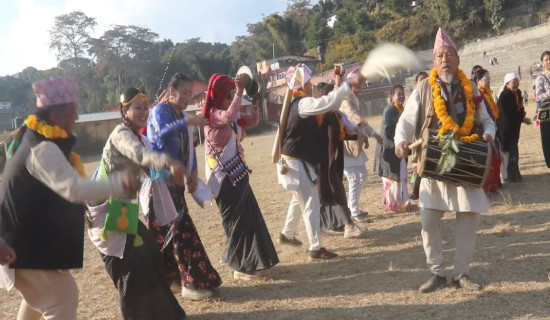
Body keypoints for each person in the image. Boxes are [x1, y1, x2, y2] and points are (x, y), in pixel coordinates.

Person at [0, 76, 139, 319]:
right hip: (21, 244)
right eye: (72, 112)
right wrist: (119, 184)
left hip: (22, 242)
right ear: (55, 115)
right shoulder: (43, 148)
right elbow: (74, 189)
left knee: (40, 298)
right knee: (62, 297)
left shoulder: (34, 140)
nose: (76, 118)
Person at [394, 28, 496, 293]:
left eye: (449, 54)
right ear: (433, 62)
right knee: (428, 222)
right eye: (439, 56)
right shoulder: (423, 88)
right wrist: (400, 140)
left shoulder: (470, 88)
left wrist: (488, 133)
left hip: (466, 164)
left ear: (458, 60)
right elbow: (406, 120)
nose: (444, 59)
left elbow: (486, 119)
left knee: (468, 221)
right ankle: (437, 272)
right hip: (433, 166)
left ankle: (462, 273)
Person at [86, 87, 187, 319]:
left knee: (150, 251)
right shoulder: (121, 135)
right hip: (105, 210)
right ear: (124, 110)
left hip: (121, 208)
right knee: (129, 264)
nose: (143, 112)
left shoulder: (138, 135)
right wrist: (169, 163)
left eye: (146, 107)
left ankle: (161, 312)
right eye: (137, 108)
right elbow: (142, 156)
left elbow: (152, 149)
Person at [147, 73, 222, 300]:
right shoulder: (160, 111)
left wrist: (194, 173)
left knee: (172, 234)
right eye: (184, 93)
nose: (187, 97)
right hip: (160, 183)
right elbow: (161, 134)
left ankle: (175, 281)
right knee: (177, 233)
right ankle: (190, 283)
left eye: (191, 93)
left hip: (176, 184)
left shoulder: (182, 115)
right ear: (172, 91)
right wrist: (187, 121)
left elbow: (189, 148)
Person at [277, 63, 360, 259]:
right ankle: (315, 246)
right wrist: (346, 86)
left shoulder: (294, 104)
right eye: (307, 82)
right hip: (296, 162)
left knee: (299, 200)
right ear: (301, 84)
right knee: (310, 203)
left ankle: (287, 234)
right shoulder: (302, 104)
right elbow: (328, 103)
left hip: (294, 162)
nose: (310, 85)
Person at [202, 73, 279, 280]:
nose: (231, 98)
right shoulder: (212, 114)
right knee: (235, 223)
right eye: (227, 95)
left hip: (237, 175)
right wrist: (239, 92)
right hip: (223, 180)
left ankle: (249, 261)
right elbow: (228, 117)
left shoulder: (228, 112)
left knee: (248, 219)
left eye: (231, 94)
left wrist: (254, 110)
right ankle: (239, 266)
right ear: (217, 96)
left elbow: (249, 122)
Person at [316, 81, 366, 238]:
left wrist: (357, 133)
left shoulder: (336, 114)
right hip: (325, 163)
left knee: (324, 196)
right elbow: (330, 137)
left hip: (334, 160)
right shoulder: (323, 115)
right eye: (332, 95)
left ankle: (325, 225)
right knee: (333, 194)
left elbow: (343, 133)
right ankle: (347, 225)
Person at [339, 68, 382, 223]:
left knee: (362, 176)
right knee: (353, 178)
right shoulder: (344, 98)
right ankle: (353, 212)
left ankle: (353, 208)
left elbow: (361, 119)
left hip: (355, 143)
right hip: (346, 145)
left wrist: (373, 134)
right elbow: (351, 114)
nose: (360, 87)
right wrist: (359, 122)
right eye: (358, 84)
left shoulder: (353, 97)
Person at [374, 85, 411, 213]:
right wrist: (396, 146)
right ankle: (392, 203)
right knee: (392, 177)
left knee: (401, 175)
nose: (401, 96)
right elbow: (386, 133)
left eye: (402, 93)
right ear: (392, 96)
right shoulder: (389, 111)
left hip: (399, 150)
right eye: (398, 94)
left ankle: (402, 202)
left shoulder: (402, 110)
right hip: (389, 150)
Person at [498, 73, 530, 183]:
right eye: (514, 82)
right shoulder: (505, 95)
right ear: (507, 84)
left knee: (514, 151)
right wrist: (520, 117)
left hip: (514, 127)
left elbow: (519, 107)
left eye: (517, 82)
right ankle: (511, 176)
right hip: (506, 128)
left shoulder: (518, 92)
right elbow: (507, 114)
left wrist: (521, 116)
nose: (516, 84)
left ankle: (514, 174)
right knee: (510, 151)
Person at [473, 69, 501, 193]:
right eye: (486, 78)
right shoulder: (477, 94)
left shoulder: (488, 92)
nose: (488, 80)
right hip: (482, 133)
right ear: (478, 81)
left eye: (489, 78)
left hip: (490, 128)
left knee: (495, 157)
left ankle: (493, 185)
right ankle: (487, 187)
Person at [409, 72, 429, 200]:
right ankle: (414, 190)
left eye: (425, 79)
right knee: (417, 164)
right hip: (418, 137)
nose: (423, 82)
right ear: (416, 82)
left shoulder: (430, 94)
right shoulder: (413, 96)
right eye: (421, 79)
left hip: (430, 137)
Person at [535, 51, 550, 168]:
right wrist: (548, 94)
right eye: (546, 60)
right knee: (547, 138)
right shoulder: (540, 78)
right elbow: (538, 96)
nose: (549, 62)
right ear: (542, 62)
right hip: (546, 112)